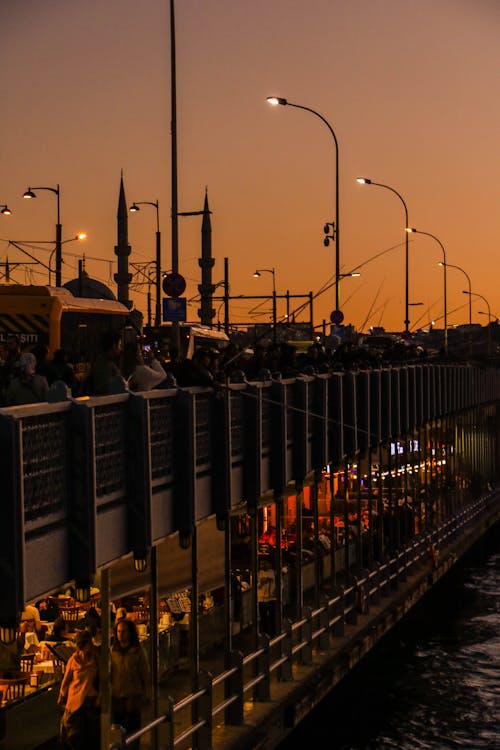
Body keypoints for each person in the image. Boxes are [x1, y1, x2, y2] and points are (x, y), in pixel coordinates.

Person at [110, 618, 150, 749]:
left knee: (132, 733)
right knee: (117, 732)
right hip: (117, 698)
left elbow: (145, 673)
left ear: (130, 633)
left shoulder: (137, 651)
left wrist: (146, 694)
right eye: (119, 631)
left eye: (124, 631)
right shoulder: (113, 651)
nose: (120, 634)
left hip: (132, 697)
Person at [57, 628, 100, 750]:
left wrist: (100, 696)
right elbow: (66, 681)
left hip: (90, 701)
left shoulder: (95, 658)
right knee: (75, 737)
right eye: (89, 643)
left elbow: (103, 679)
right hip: (75, 702)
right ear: (82, 645)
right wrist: (62, 695)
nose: (91, 645)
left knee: (91, 737)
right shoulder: (73, 660)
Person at [84, 330, 123, 396]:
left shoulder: (101, 361)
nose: (120, 348)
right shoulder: (104, 365)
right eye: (119, 345)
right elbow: (104, 390)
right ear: (114, 346)